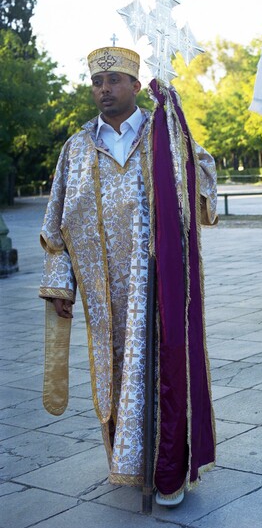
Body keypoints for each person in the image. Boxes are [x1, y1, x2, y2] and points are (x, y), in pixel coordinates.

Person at [39, 47, 217, 506]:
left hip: (155, 286)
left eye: (114, 80)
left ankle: (168, 469)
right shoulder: (76, 148)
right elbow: (56, 225)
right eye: (97, 82)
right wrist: (62, 285)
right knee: (115, 375)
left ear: (136, 86)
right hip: (102, 292)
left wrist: (180, 142)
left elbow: (204, 184)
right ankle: (127, 462)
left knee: (163, 368)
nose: (104, 89)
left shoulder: (164, 136)